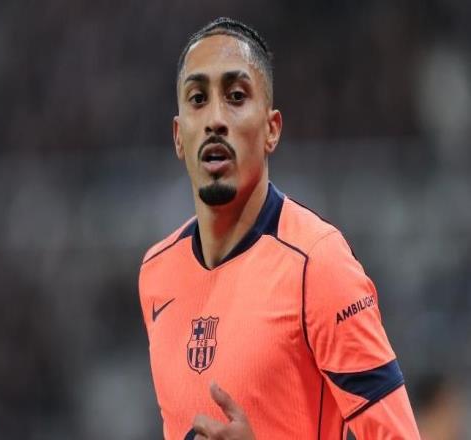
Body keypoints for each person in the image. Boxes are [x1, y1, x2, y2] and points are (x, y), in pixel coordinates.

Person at [138, 17, 420, 439]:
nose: (215, 118)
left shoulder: (318, 263)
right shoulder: (156, 271)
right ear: (179, 136)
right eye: (198, 99)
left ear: (272, 129)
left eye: (236, 96)